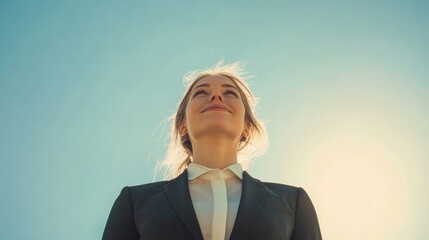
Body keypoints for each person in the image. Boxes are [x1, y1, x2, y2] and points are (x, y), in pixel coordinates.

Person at [102, 61, 322, 240]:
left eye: (229, 93)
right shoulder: (135, 202)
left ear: (246, 126)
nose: (216, 96)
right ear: (182, 126)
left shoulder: (293, 202)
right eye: (201, 92)